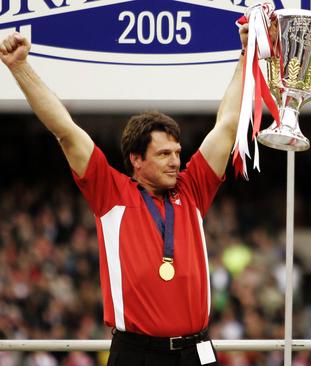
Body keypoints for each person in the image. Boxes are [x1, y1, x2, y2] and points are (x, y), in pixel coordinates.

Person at [0, 25, 249, 366]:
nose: (176, 161)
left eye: (177, 152)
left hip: (197, 351)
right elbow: (65, 131)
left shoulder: (191, 189)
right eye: (164, 154)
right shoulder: (110, 191)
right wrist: (19, 67)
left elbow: (228, 125)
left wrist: (246, 55)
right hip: (137, 354)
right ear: (136, 159)